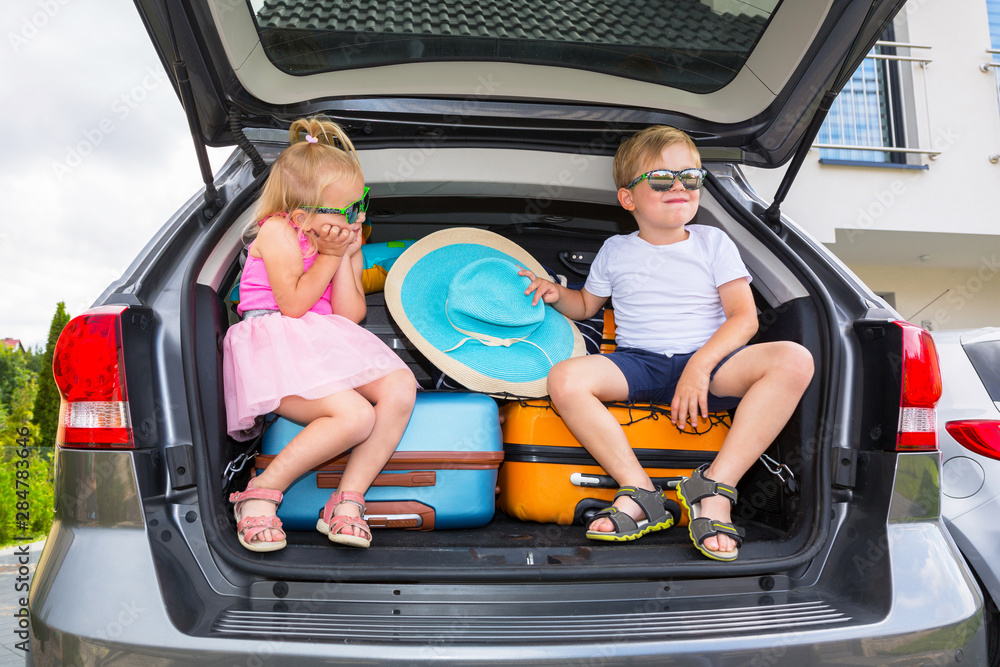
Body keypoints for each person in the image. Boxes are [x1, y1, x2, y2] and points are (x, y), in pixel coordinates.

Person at [520, 125, 814, 560]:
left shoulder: (713, 242)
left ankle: (715, 488)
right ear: (628, 199)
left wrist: (699, 368)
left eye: (691, 178)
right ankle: (640, 492)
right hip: (640, 363)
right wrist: (554, 293)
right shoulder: (615, 249)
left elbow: (744, 318)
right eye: (661, 179)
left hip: (714, 365)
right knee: (566, 378)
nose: (680, 186)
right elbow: (585, 305)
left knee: (794, 359)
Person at [222, 116, 417, 552]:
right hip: (274, 346)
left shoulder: (339, 240)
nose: (356, 217)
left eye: (359, 205)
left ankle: (347, 501)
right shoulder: (276, 231)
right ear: (301, 214)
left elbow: (349, 316)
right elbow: (291, 305)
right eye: (346, 210)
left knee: (401, 385)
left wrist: (348, 253)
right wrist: (328, 257)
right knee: (355, 416)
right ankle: (258, 494)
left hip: (320, 343)